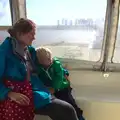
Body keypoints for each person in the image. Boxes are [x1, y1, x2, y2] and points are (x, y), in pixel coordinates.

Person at [0, 18, 78, 120]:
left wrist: (64, 72)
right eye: (31, 34)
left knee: (66, 105)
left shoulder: (29, 51)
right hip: (18, 95)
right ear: (19, 34)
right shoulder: (4, 52)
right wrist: (9, 93)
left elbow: (46, 64)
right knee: (66, 109)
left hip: (34, 89)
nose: (34, 38)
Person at [36, 47, 85, 120]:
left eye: (49, 58)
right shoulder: (40, 67)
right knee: (57, 109)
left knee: (70, 103)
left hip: (62, 88)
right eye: (42, 60)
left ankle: (80, 118)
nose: (49, 60)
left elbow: (59, 77)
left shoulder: (56, 64)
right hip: (50, 89)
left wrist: (54, 88)